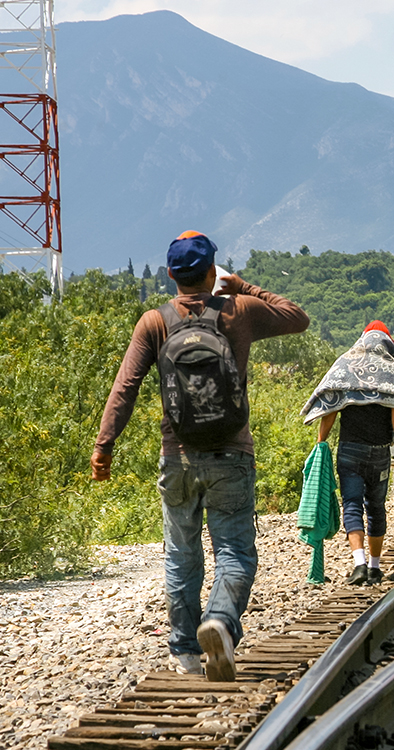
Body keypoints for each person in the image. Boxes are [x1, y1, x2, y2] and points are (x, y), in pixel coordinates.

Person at [92, 231, 310, 680]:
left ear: (171, 274)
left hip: (177, 456)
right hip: (231, 452)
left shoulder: (154, 322)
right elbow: (297, 317)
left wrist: (104, 447)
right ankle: (221, 621)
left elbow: (125, 388)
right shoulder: (239, 311)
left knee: (181, 554)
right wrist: (244, 287)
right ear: (213, 271)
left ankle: (186, 652)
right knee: (234, 551)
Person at [301, 321, 394, 585]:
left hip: (349, 452)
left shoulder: (346, 366)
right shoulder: (392, 370)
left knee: (352, 504)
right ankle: (375, 568)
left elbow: (331, 408)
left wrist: (320, 444)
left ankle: (359, 564)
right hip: (379, 454)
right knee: (376, 508)